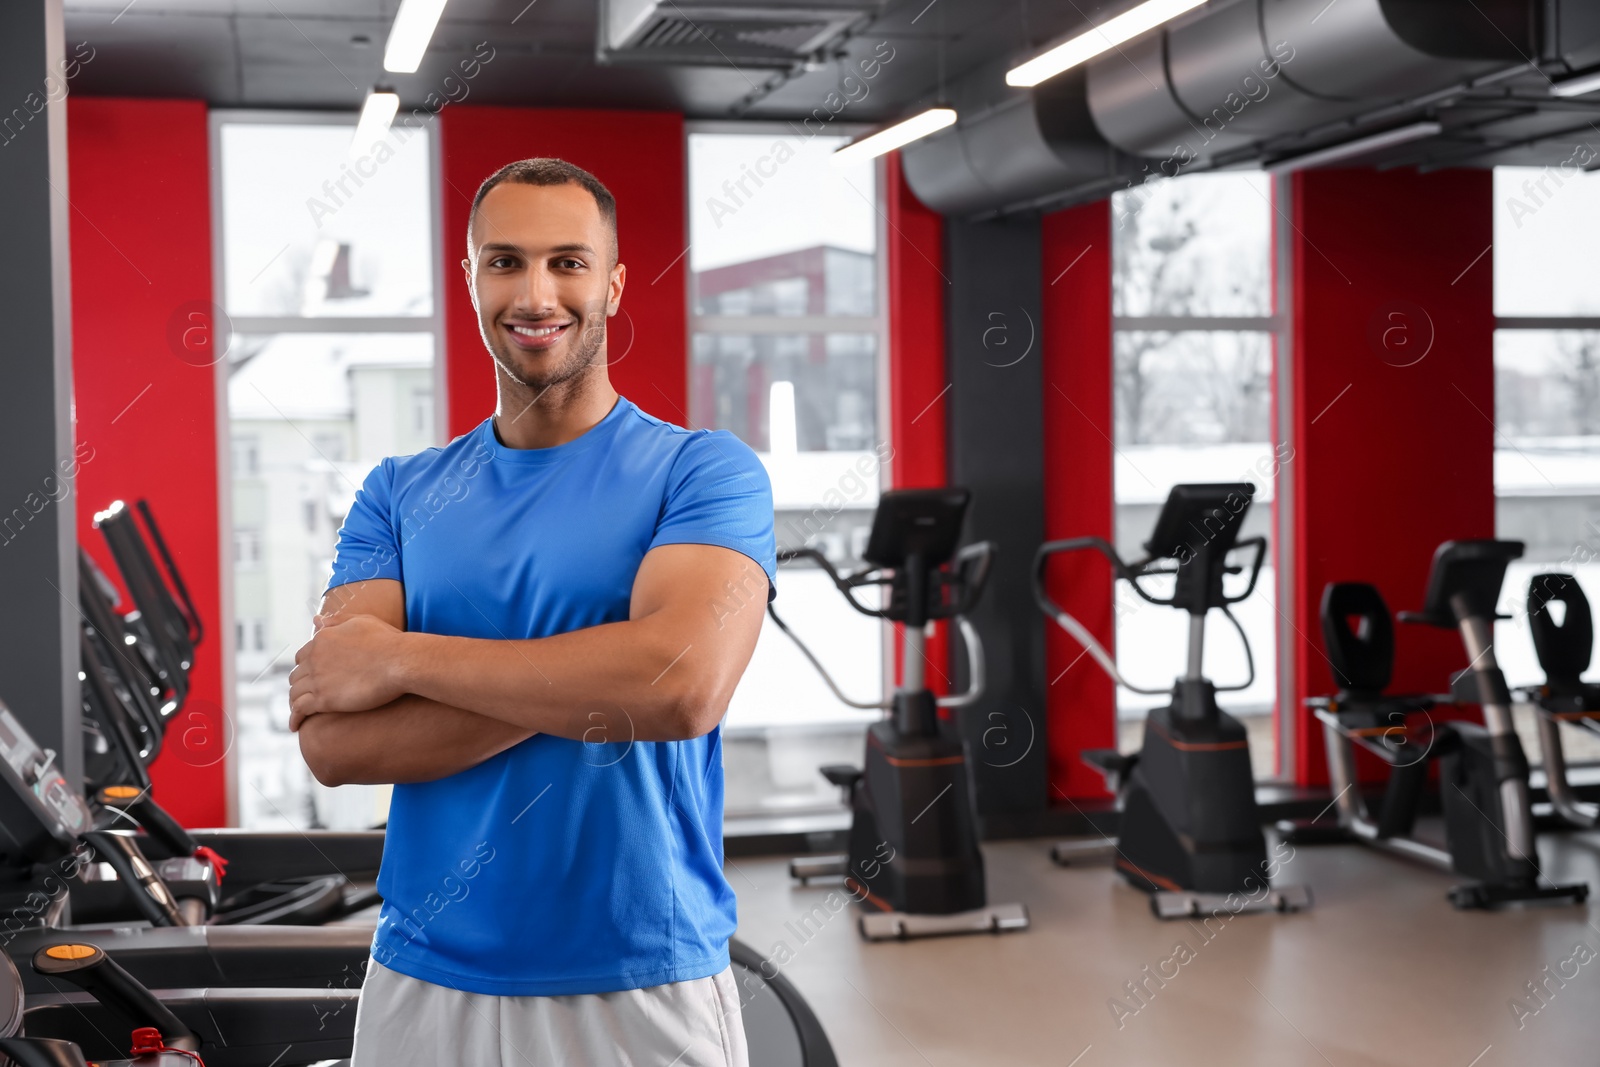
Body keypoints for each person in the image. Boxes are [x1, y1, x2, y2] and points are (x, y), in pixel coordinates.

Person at [289, 157, 774, 1067]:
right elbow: (336, 743)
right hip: (423, 979)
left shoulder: (704, 473)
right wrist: (599, 672)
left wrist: (400, 662)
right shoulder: (397, 495)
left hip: (641, 978)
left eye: (569, 261)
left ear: (614, 285)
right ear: (469, 280)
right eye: (505, 261)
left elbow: (677, 686)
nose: (537, 291)